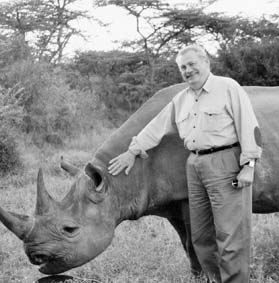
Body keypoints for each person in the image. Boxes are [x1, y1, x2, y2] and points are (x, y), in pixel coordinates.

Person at [108, 44, 262, 283]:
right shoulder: (181, 99)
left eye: (192, 64)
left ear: (206, 63)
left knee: (231, 234)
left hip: (225, 161)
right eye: (183, 67)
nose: (188, 70)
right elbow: (157, 127)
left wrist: (249, 166)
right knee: (200, 234)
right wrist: (132, 151)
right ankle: (215, 279)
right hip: (194, 164)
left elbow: (249, 126)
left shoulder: (228, 87)